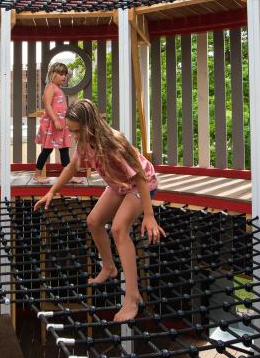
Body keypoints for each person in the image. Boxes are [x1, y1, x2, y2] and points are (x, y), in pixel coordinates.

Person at [33, 99, 165, 322]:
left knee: (119, 229)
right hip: (118, 184)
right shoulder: (85, 143)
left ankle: (133, 297)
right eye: (71, 131)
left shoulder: (114, 144)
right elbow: (72, 167)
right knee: (93, 221)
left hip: (141, 185)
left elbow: (140, 178)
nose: (73, 136)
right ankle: (109, 266)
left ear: (89, 125)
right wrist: (52, 191)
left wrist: (149, 215)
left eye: (76, 131)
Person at [33, 62, 73, 184]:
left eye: (65, 74)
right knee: (47, 150)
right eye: (61, 74)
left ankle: (68, 176)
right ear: (53, 74)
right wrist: (56, 120)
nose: (64, 77)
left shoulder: (58, 88)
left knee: (64, 149)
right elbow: (48, 105)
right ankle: (37, 175)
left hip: (61, 124)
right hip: (53, 124)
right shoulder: (50, 87)